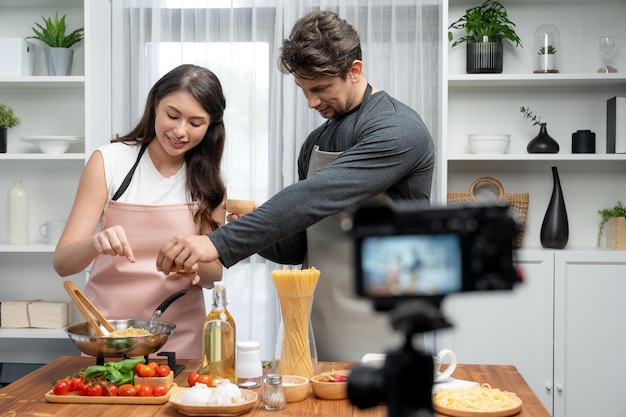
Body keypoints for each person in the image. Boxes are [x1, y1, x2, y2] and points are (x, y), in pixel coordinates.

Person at [157, 11, 435, 361]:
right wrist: (241, 223)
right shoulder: (315, 141)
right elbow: (297, 245)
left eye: (320, 88)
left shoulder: (398, 130)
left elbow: (313, 198)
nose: (311, 102)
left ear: (355, 70)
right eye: (304, 90)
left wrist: (216, 242)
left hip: (386, 317)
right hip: (320, 318)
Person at [54, 64, 227, 358]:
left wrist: (195, 258)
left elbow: (213, 275)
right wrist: (95, 243)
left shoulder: (209, 183)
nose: (180, 131)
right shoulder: (109, 162)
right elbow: (63, 263)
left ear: (210, 126)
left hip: (181, 337)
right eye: (172, 116)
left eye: (196, 123)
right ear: (155, 105)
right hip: (108, 334)